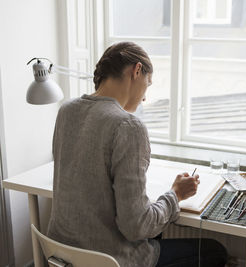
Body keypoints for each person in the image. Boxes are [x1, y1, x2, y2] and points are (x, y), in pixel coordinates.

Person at [47, 42, 227, 267]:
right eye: (148, 85)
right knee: (216, 251)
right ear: (137, 70)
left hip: (61, 255)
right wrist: (175, 195)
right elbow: (136, 227)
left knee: (156, 233)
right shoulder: (128, 126)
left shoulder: (66, 110)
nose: (144, 98)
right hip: (108, 260)